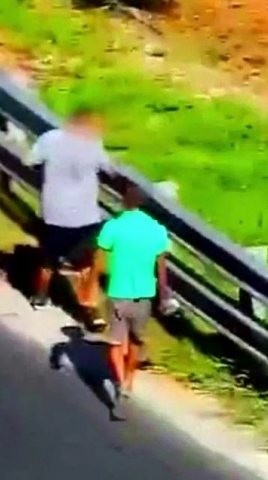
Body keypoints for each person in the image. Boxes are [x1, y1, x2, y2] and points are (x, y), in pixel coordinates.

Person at [24, 108, 110, 325]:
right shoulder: (93, 143)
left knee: (48, 258)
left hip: (54, 213)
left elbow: (30, 161)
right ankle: (89, 311)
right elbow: (109, 169)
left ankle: (41, 294)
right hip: (86, 216)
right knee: (87, 264)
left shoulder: (50, 139)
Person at [96, 178, 171, 420]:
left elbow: (99, 258)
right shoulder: (157, 229)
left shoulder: (113, 226)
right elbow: (161, 267)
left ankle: (119, 382)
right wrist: (164, 295)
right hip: (144, 295)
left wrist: (92, 285)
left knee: (116, 344)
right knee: (137, 341)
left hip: (118, 292)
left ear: (123, 201)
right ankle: (129, 378)